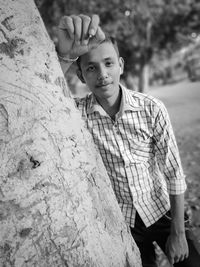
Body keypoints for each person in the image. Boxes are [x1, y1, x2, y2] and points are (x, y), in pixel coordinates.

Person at [57, 14, 200, 267]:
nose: (102, 74)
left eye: (108, 63)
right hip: (124, 222)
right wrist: (65, 56)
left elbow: (174, 172)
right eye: (91, 67)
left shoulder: (151, 108)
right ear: (81, 76)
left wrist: (178, 232)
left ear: (120, 65)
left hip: (163, 211)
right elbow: (47, 96)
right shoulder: (77, 113)